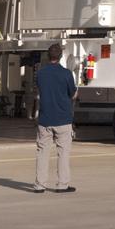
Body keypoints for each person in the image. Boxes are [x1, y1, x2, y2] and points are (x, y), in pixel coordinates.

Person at [33, 43, 77, 193]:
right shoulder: (66, 74)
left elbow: (39, 90)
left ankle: (40, 185)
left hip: (45, 119)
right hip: (63, 119)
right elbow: (73, 94)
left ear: (47, 56)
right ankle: (62, 185)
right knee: (63, 152)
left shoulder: (40, 73)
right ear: (60, 57)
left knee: (42, 152)